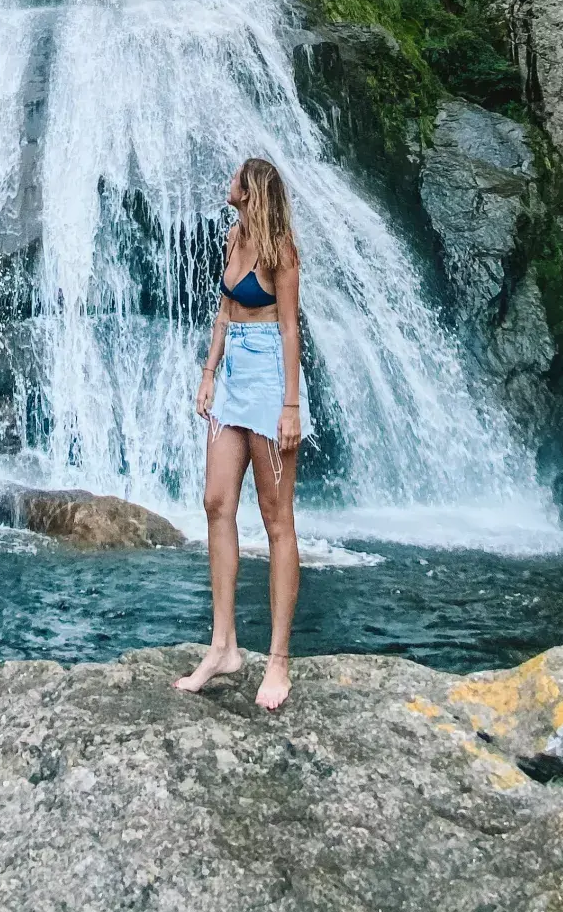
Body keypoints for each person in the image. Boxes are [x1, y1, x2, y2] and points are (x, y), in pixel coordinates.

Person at [174, 155, 310, 711]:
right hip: (231, 380)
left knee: (277, 522)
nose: (227, 183)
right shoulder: (233, 237)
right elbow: (225, 311)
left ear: (251, 190)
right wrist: (207, 373)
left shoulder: (282, 253)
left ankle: (278, 660)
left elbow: (290, 329)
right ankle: (223, 646)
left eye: (235, 178)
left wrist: (291, 406)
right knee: (215, 503)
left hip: (269, 383)